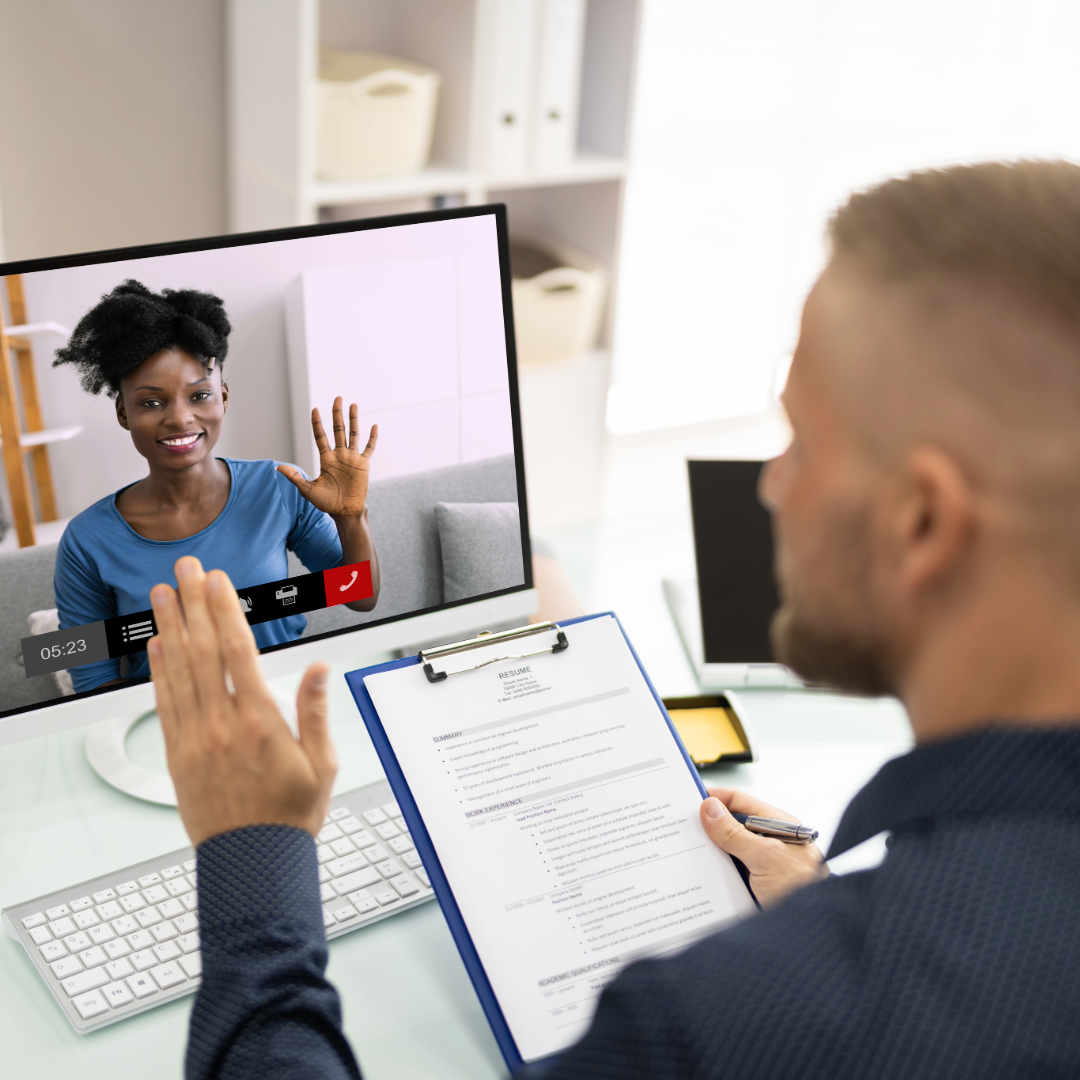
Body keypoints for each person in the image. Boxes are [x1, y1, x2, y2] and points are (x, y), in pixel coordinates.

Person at [150, 159, 1080, 1079]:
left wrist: (252, 850)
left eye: (803, 440)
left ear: (921, 522)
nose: (772, 484)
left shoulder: (729, 1021)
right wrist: (822, 908)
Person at [52, 280, 380, 692]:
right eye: (151, 402)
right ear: (123, 412)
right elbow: (93, 680)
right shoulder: (86, 539)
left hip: (281, 697)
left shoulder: (278, 485)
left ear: (223, 398)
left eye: (199, 395)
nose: (180, 418)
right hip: (169, 725)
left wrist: (351, 518)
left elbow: (360, 596)